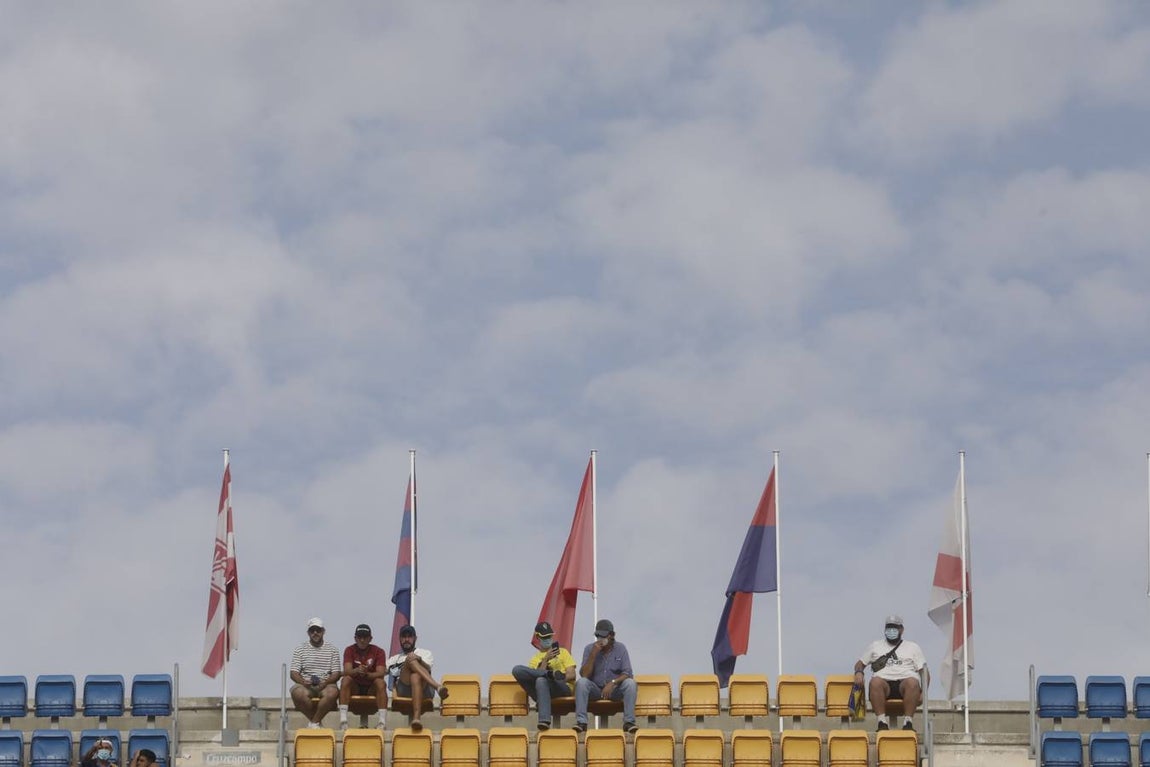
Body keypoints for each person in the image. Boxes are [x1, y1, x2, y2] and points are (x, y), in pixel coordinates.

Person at [854, 614, 929, 731]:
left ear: (901, 630)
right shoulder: (875, 646)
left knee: (913, 682)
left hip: (905, 684)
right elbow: (860, 663)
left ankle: (908, 722)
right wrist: (859, 672)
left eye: (894, 627)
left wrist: (924, 693)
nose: (891, 630)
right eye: (888, 627)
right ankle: (882, 722)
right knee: (875, 682)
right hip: (884, 684)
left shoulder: (913, 647)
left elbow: (924, 672)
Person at [573, 618, 637, 734]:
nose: (600, 639)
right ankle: (581, 722)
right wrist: (593, 655)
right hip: (596, 690)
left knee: (630, 683)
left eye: (603, 636)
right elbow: (584, 675)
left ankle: (629, 722)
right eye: (598, 636)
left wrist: (612, 683)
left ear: (612, 635)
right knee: (581, 683)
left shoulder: (620, 648)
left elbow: (628, 673)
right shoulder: (589, 648)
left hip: (614, 690)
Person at [511, 621, 577, 731]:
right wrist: (546, 660)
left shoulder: (563, 652)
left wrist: (560, 678)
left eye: (549, 636)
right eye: (545, 637)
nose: (548, 639)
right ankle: (549, 674)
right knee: (518, 670)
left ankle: (544, 719)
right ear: (538, 637)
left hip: (561, 687)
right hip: (541, 690)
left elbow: (572, 675)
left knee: (541, 680)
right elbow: (534, 677)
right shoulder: (534, 659)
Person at [385, 624, 448, 732]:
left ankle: (416, 719)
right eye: (403, 637)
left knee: (415, 676)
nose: (406, 639)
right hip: (403, 689)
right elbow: (381, 672)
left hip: (425, 690)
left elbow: (428, 667)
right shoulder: (394, 659)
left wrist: (419, 659)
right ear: (400, 639)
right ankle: (437, 687)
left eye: (409, 637)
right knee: (410, 659)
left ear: (415, 638)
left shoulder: (425, 653)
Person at [289, 616, 342, 728]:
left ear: (323, 632)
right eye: (312, 630)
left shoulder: (332, 649)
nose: (315, 633)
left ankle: (314, 722)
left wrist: (326, 682)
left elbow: (336, 673)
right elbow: (293, 673)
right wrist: (303, 682)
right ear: (308, 633)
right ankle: (316, 722)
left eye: (318, 630)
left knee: (332, 693)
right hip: (306, 683)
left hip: (326, 683)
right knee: (298, 693)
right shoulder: (300, 649)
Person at [339, 623, 389, 730]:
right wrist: (357, 670)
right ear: (355, 638)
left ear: (370, 638)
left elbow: (381, 673)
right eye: (359, 637)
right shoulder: (349, 650)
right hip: (355, 686)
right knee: (345, 680)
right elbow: (347, 671)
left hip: (371, 687)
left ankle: (382, 722)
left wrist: (367, 674)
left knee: (381, 683)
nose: (362, 640)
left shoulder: (378, 651)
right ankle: (343, 721)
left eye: (365, 637)